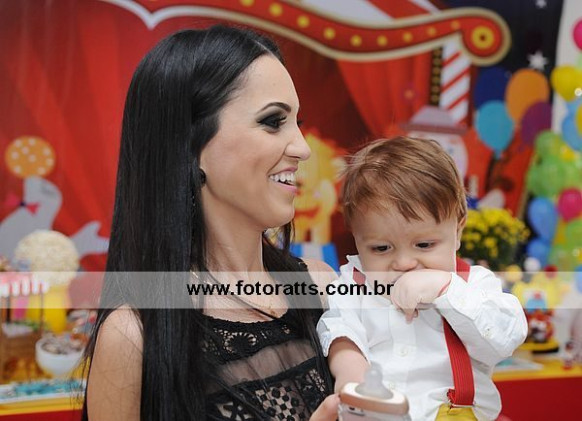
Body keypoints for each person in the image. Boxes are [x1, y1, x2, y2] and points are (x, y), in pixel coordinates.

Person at [82, 25, 340, 421]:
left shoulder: (322, 288)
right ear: (192, 145)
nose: (302, 148)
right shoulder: (133, 337)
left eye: (297, 123)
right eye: (273, 121)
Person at [317, 136, 528, 421]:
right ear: (356, 238)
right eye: (381, 248)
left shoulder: (474, 285)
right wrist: (352, 376)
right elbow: (340, 331)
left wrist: (446, 290)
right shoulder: (353, 285)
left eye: (424, 245)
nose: (404, 263)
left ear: (458, 231)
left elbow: (505, 338)